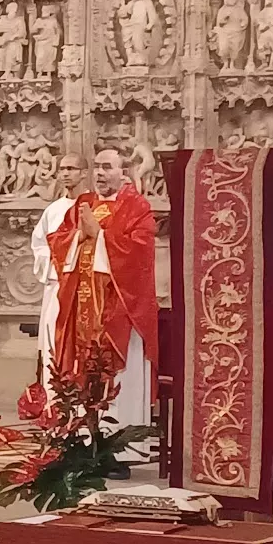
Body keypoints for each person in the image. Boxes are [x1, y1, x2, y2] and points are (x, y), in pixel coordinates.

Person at [47, 148, 160, 436]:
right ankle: (85, 440)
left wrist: (101, 237)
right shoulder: (83, 203)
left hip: (119, 309)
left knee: (117, 375)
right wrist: (77, 236)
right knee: (83, 370)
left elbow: (141, 253)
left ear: (123, 172)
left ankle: (121, 446)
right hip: (82, 307)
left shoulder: (137, 207)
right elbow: (58, 241)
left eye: (107, 167)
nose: (99, 173)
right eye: (96, 167)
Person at [28, 154, 87, 397]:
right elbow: (39, 247)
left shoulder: (92, 207)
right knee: (54, 344)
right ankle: (56, 407)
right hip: (57, 287)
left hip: (84, 289)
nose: (65, 173)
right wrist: (57, 263)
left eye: (71, 168)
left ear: (84, 173)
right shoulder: (53, 211)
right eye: (62, 169)